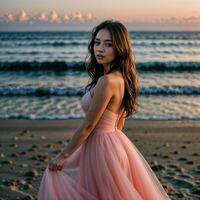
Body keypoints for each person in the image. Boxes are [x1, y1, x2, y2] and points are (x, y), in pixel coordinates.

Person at [38, 19, 171, 200]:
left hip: (101, 150)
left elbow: (88, 125)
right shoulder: (122, 78)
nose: (100, 49)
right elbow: (119, 122)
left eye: (108, 44)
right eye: (97, 42)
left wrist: (63, 156)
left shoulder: (106, 82)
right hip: (115, 144)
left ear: (120, 48)